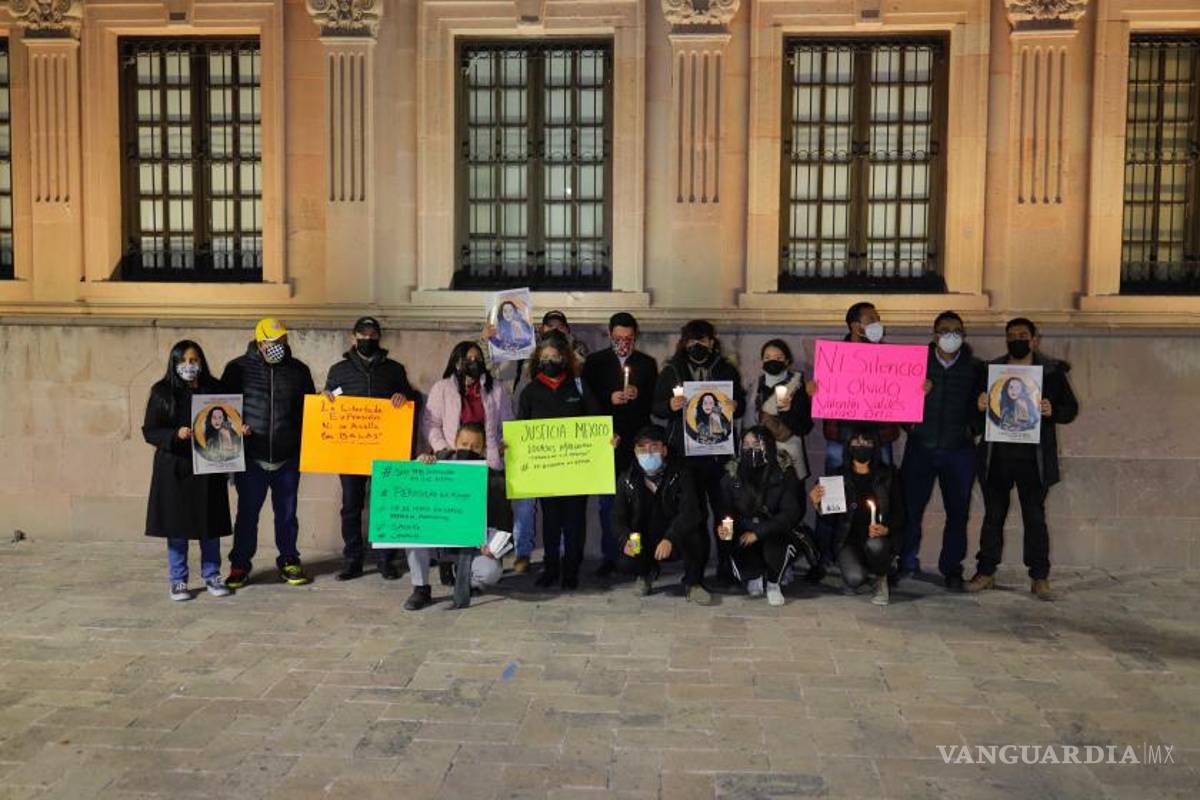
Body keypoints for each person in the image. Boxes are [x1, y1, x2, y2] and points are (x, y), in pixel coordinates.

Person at [968, 317, 1079, 601]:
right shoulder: (992, 371)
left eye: (1022, 334)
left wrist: (1053, 410)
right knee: (993, 518)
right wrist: (979, 406)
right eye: (1011, 335)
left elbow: (1070, 410)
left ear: (1034, 339)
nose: (1016, 338)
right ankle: (986, 571)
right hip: (997, 458)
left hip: (1034, 460)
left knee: (1035, 518)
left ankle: (1039, 576)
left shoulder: (1051, 373)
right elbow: (975, 414)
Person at [481, 310, 588, 574]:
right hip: (530, 448)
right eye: (548, 327)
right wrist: (488, 340)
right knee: (526, 507)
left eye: (559, 328)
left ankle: (565, 559)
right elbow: (492, 368)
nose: (554, 331)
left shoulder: (576, 366)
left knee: (568, 513)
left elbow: (590, 411)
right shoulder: (523, 355)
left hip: (568, 456)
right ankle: (524, 553)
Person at [222, 318, 316, 588]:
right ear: (259, 341)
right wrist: (235, 425)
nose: (280, 346)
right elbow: (222, 408)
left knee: (287, 514)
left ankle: (289, 560)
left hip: (287, 458)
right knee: (247, 515)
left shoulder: (299, 370)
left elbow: (308, 409)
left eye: (283, 341)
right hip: (252, 457)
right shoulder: (237, 369)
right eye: (273, 342)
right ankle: (240, 564)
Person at [323, 316, 417, 582]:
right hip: (350, 451)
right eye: (362, 334)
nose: (367, 339)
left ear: (379, 337)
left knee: (384, 505)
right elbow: (330, 400)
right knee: (351, 506)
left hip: (385, 451)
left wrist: (404, 397)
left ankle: (386, 560)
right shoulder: (339, 370)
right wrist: (326, 397)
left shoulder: (394, 370)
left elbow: (411, 399)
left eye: (372, 334)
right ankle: (353, 560)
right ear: (353, 337)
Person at [653, 319, 746, 585]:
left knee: (725, 513)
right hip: (685, 457)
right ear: (684, 343)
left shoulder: (726, 369)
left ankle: (727, 564)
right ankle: (695, 567)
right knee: (693, 514)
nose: (697, 345)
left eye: (702, 340)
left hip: (719, 457)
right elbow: (656, 407)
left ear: (712, 342)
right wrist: (670, 405)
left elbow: (738, 407)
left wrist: (734, 404)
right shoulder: (671, 370)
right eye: (692, 341)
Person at [898, 311, 985, 590]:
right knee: (910, 510)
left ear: (963, 334)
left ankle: (951, 568)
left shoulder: (975, 368)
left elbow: (985, 408)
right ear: (934, 335)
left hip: (959, 451)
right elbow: (894, 400)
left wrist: (973, 426)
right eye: (945, 330)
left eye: (956, 330)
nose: (951, 335)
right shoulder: (915, 365)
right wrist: (911, 420)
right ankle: (906, 562)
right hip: (920, 447)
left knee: (958, 512)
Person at [143, 340, 236, 601]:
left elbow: (227, 419)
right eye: (182, 361)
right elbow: (150, 430)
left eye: (193, 360)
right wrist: (175, 434)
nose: (188, 366)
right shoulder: (162, 392)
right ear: (174, 363)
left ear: (201, 362)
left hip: (208, 467)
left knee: (210, 524)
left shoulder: (215, 389)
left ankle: (212, 575)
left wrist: (239, 431)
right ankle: (178, 579)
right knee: (177, 526)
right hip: (175, 469)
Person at [812, 302, 901, 571]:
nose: (877, 323)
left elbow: (899, 393)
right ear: (855, 325)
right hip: (841, 438)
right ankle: (826, 557)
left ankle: (880, 554)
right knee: (831, 497)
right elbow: (821, 393)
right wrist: (814, 389)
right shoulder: (833, 358)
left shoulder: (888, 359)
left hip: (878, 438)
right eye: (871, 318)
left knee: (882, 492)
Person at [517, 332, 600, 590]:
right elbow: (521, 428)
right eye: (545, 357)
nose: (551, 361)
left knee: (575, 521)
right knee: (551, 522)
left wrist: (608, 440)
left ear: (565, 358)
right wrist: (511, 444)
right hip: (546, 472)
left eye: (555, 356)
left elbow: (596, 421)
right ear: (537, 361)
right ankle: (551, 567)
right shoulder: (530, 391)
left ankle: (571, 570)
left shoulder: (578, 386)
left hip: (576, 469)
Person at [582, 312, 658, 577]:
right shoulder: (595, 362)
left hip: (636, 442)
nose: (623, 343)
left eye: (628, 338)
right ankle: (610, 555)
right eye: (618, 338)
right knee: (608, 504)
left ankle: (637, 555)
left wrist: (638, 394)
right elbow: (587, 401)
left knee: (639, 503)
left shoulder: (647, 364)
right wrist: (609, 398)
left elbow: (654, 403)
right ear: (609, 335)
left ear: (635, 337)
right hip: (607, 443)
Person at [407, 423, 514, 610]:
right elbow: (413, 484)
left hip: (472, 546)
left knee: (492, 571)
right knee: (411, 536)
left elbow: (502, 522)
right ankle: (421, 588)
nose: (469, 450)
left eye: (475, 447)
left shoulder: (493, 479)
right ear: (455, 442)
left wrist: (491, 546)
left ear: (483, 450)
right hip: (438, 540)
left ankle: (470, 582)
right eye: (464, 444)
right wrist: (420, 462)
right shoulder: (438, 463)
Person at [611, 425, 711, 604]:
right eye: (642, 448)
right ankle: (645, 574)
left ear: (664, 450)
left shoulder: (681, 474)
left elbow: (691, 512)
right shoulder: (627, 479)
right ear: (635, 451)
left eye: (654, 447)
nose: (648, 453)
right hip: (645, 536)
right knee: (624, 562)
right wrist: (624, 538)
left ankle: (693, 583)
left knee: (696, 536)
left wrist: (670, 538)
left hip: (674, 536)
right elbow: (618, 517)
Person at [810, 427, 904, 606]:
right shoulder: (837, 476)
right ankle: (865, 572)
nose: (861, 446)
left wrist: (886, 528)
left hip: (877, 537)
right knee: (853, 579)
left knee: (875, 545)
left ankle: (881, 578)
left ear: (875, 447)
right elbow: (830, 520)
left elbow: (901, 514)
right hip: (849, 539)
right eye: (856, 442)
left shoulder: (888, 475)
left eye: (867, 442)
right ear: (848, 446)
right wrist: (817, 504)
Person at [719, 427, 810, 607]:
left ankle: (773, 582)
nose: (751, 449)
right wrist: (725, 529)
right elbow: (726, 510)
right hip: (746, 530)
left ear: (768, 446)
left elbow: (790, 513)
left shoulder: (784, 473)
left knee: (774, 548)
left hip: (776, 530)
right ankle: (756, 574)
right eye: (746, 444)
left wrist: (758, 533)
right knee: (739, 553)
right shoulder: (732, 475)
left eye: (757, 444)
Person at [744, 339, 815, 482]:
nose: (772, 361)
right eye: (767, 358)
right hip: (760, 456)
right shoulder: (755, 386)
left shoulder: (797, 386)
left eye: (778, 358)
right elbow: (748, 423)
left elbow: (804, 427)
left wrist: (787, 412)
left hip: (789, 457)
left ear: (787, 361)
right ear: (762, 361)